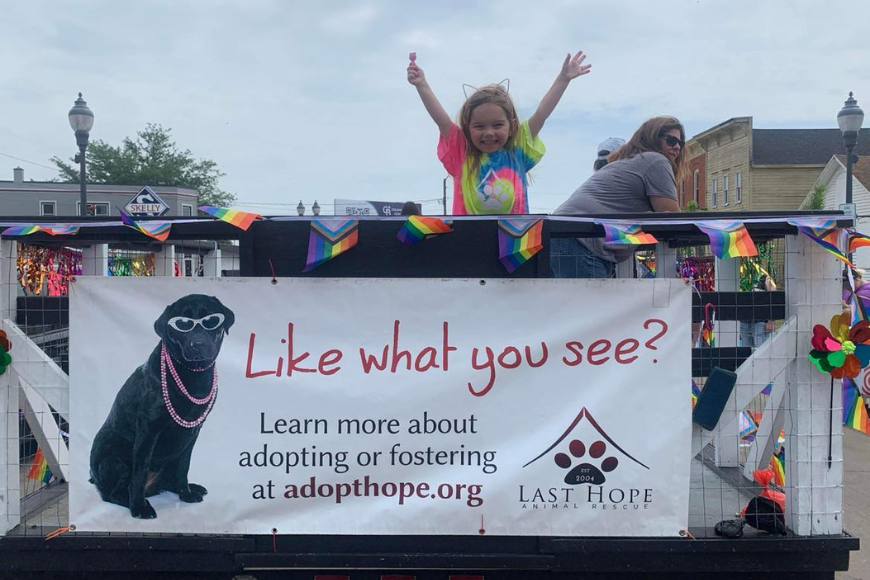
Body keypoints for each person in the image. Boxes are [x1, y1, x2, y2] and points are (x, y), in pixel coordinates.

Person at [407, 51, 592, 215]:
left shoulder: (518, 149)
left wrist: (563, 79)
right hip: (469, 243)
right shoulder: (461, 153)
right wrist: (422, 85)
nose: (489, 133)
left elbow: (541, 114)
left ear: (511, 126)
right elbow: (442, 121)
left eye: (497, 125)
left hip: (514, 242)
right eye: (479, 126)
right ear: (467, 128)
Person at [551, 116, 687, 278]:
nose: (677, 147)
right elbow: (671, 217)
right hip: (582, 239)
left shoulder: (628, 161)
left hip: (563, 234)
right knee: (593, 303)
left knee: (582, 303)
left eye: (681, 143)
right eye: (671, 140)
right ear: (653, 138)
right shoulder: (656, 160)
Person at [740, 273, 777, 348]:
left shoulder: (763, 276)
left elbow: (774, 297)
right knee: (746, 354)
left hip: (760, 323)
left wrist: (770, 320)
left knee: (761, 352)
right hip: (744, 323)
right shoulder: (740, 276)